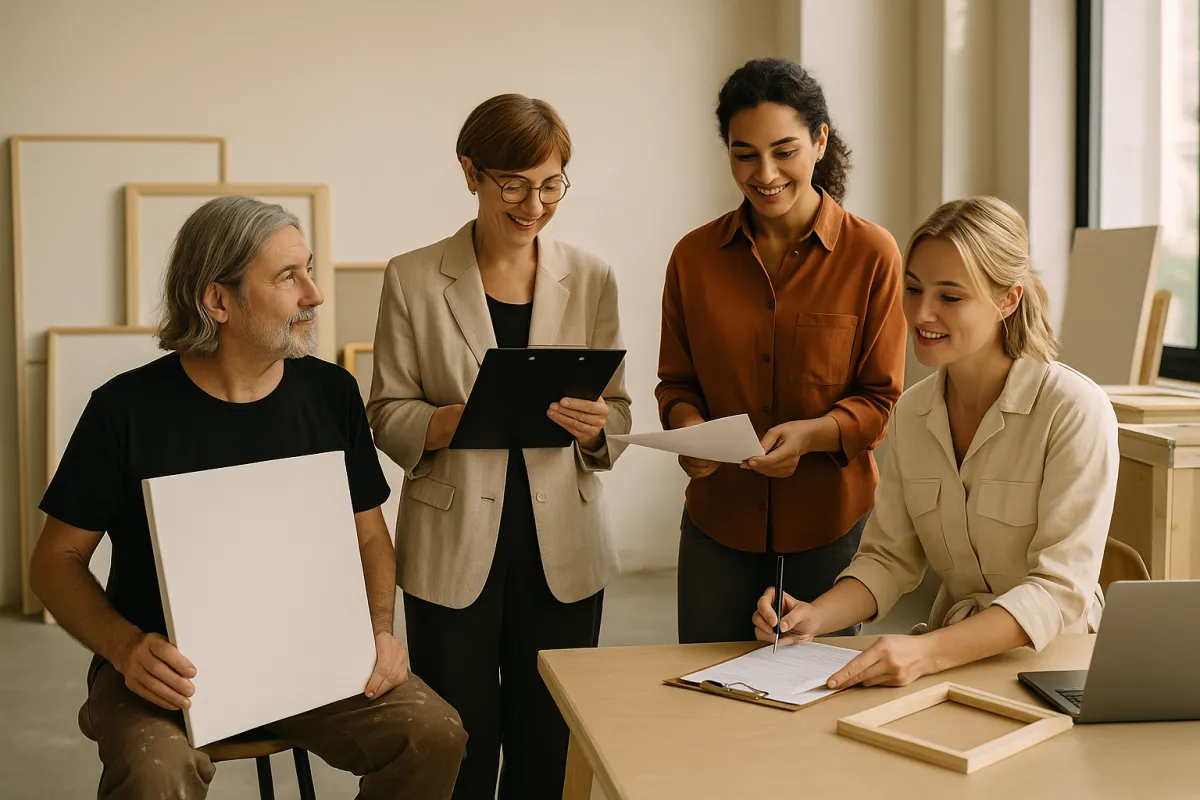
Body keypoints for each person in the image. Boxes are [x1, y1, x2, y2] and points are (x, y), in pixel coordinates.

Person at [29, 196, 466, 800]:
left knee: (434, 733)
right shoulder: (123, 410)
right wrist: (125, 648)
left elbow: (369, 534)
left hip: (314, 657)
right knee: (156, 770)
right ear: (218, 301)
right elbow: (54, 562)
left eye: (308, 269)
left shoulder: (331, 393)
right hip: (167, 675)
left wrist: (380, 631)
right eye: (288, 277)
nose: (314, 293)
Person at [367, 93, 632, 800]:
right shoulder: (414, 277)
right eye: (513, 184)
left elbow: (622, 413)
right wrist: (446, 422)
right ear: (471, 173)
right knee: (459, 737)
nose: (534, 204)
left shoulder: (594, 277)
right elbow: (385, 410)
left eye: (551, 186)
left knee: (549, 738)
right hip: (453, 541)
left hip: (564, 546)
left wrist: (598, 428)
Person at [753, 196, 1121, 689]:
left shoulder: (1073, 410)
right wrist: (815, 617)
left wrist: (926, 653)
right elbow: (890, 557)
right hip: (953, 659)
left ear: (1008, 299)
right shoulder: (913, 411)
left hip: (1056, 666)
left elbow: (1058, 590)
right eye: (913, 289)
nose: (922, 313)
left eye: (950, 297)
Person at [656, 57, 908, 644]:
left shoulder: (873, 254)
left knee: (817, 710)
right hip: (717, 525)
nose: (765, 172)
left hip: (832, 527)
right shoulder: (692, 258)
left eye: (784, 150)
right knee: (704, 695)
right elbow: (677, 383)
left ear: (820, 141)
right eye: (745, 154)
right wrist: (690, 434)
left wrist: (812, 436)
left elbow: (880, 401)